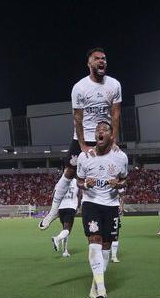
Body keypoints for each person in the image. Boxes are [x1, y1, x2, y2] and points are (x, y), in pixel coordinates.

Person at [38, 47, 122, 230]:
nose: (102, 61)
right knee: (69, 172)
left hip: (104, 137)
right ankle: (53, 211)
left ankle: (111, 212)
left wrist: (114, 140)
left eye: (104, 58)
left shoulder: (114, 84)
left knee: (110, 172)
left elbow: (115, 114)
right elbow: (77, 117)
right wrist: (82, 144)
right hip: (83, 138)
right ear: (89, 63)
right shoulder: (80, 87)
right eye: (97, 58)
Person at [76, 121, 128, 298]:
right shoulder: (85, 157)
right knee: (94, 241)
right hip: (91, 203)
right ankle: (102, 289)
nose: (100, 132)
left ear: (111, 135)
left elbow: (124, 181)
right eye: (97, 130)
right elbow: (78, 182)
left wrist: (118, 184)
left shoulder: (120, 157)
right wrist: (85, 184)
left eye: (104, 129)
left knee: (106, 247)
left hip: (111, 205)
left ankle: (95, 287)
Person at [51, 179, 79, 258]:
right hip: (70, 206)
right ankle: (57, 239)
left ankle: (65, 251)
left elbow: (53, 195)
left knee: (65, 229)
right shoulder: (76, 181)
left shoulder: (60, 181)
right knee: (67, 229)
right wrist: (78, 206)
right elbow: (79, 194)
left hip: (61, 208)